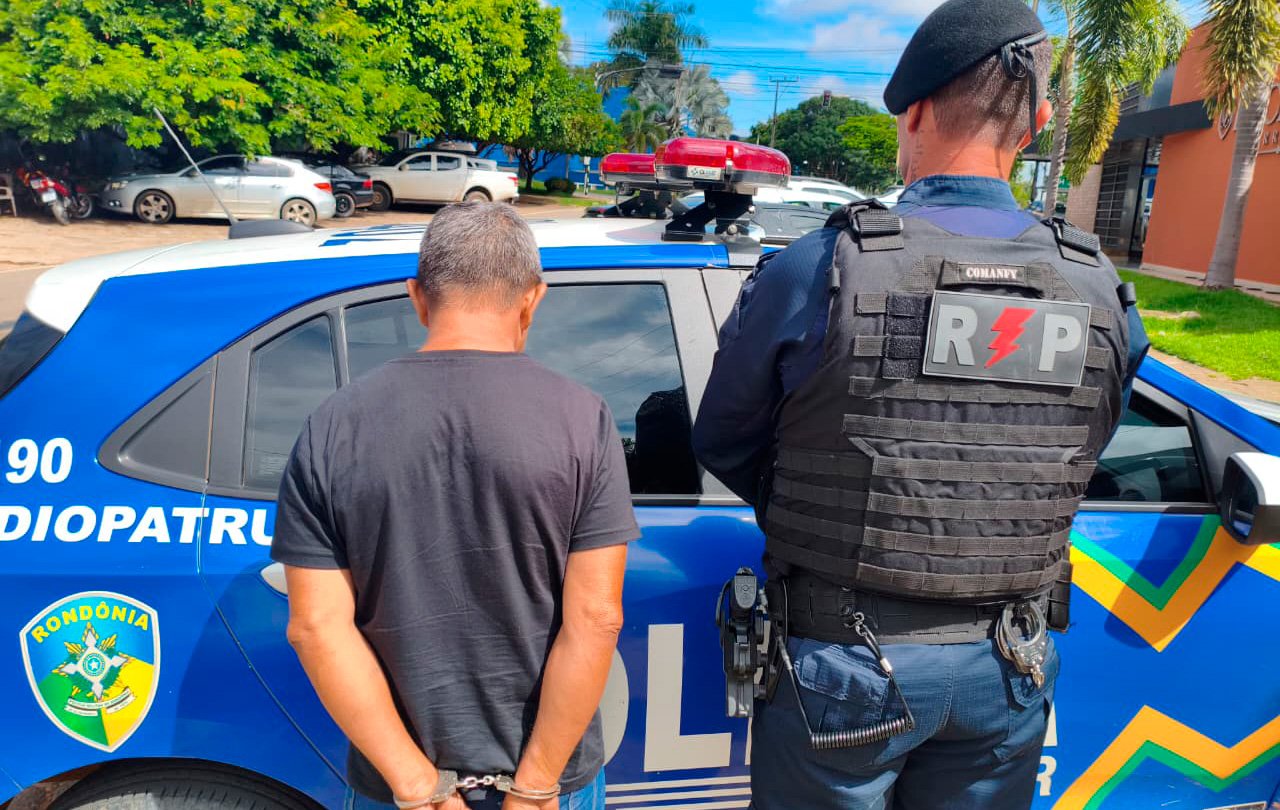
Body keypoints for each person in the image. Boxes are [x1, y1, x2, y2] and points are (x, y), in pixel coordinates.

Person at [693, 0, 1149, 807]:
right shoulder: (1096, 287)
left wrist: (829, 507)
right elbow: (1088, 439)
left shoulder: (821, 267)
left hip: (843, 657)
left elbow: (725, 437)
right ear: (1038, 122)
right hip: (1008, 664)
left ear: (915, 113)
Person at [271, 201, 638, 810]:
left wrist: (417, 785)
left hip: (403, 789)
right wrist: (535, 785)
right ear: (532, 300)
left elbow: (315, 627)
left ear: (417, 297)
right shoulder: (582, 419)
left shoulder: (333, 423)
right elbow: (597, 619)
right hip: (546, 785)